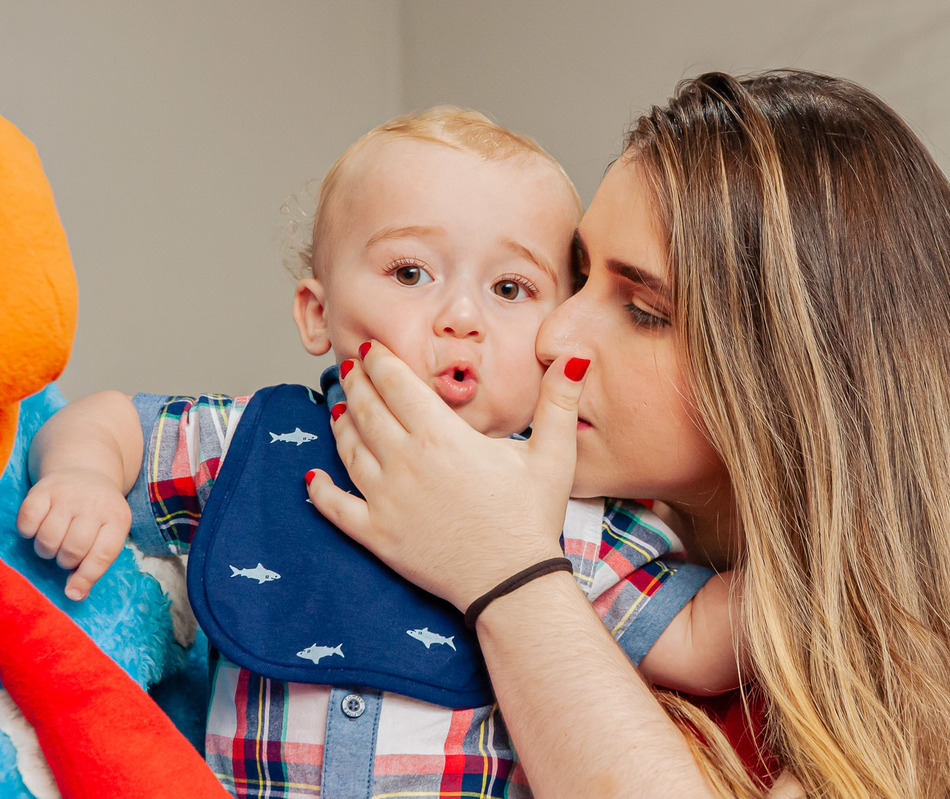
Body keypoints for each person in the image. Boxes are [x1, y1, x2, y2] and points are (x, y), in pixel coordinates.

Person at [307, 71, 950, 798]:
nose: (552, 336)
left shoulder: (934, 672)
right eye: (577, 278)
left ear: (793, 377)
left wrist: (506, 574)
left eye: (643, 308)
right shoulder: (623, 547)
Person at [17, 107, 740, 797]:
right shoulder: (257, 440)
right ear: (317, 311)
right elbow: (110, 422)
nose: (462, 317)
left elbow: (702, 640)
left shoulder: (566, 500)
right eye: (411, 273)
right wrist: (82, 473)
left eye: (511, 288)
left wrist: (849, 561)